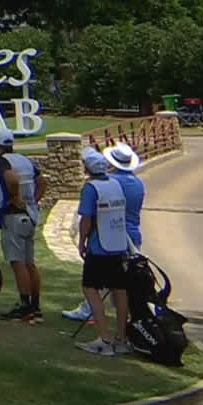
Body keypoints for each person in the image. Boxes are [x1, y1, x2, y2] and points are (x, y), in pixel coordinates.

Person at [63, 142, 146, 325]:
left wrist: (84, 238)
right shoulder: (138, 183)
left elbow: (93, 213)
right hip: (133, 235)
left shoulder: (112, 182)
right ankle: (127, 320)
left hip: (112, 235)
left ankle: (89, 311)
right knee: (123, 283)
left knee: (97, 280)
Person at [75, 147, 133, 355]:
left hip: (99, 248)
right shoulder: (116, 184)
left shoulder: (91, 188)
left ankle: (104, 339)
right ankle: (121, 338)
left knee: (90, 288)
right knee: (120, 290)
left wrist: (82, 241)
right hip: (117, 245)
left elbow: (87, 219)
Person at [0, 126, 45, 321]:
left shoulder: (2, 162)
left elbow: (11, 180)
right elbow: (41, 182)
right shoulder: (25, 160)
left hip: (13, 216)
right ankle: (35, 304)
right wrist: (33, 201)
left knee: (18, 262)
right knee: (30, 263)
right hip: (29, 215)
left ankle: (24, 304)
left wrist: (14, 196)